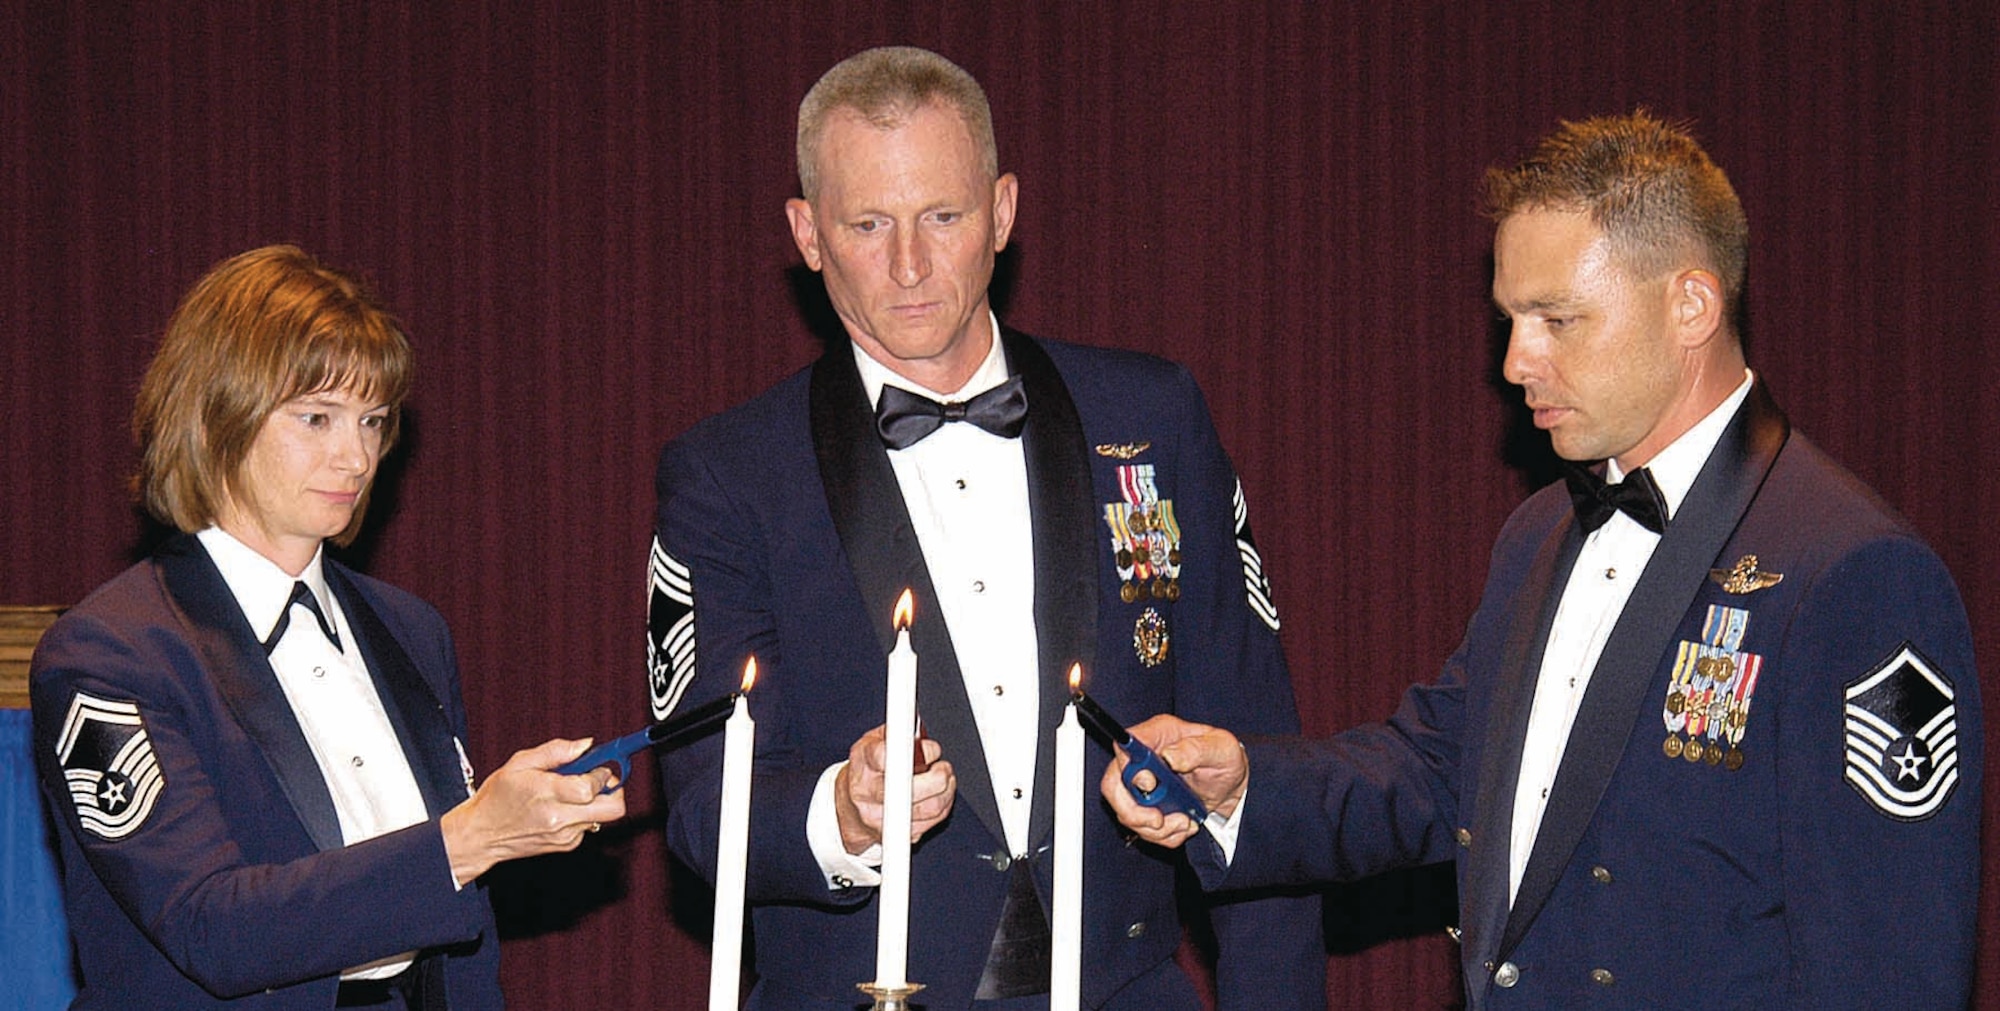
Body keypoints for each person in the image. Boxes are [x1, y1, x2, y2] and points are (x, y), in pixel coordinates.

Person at [1102, 111, 1982, 1008]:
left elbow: (1891, 973)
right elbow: (1443, 766)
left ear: (1692, 305)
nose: (1518, 360)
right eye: (1512, 319)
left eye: (1558, 318)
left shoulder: (1852, 572)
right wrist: (1244, 782)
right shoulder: (1537, 533)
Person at [648, 46, 1322, 1010]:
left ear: (1003, 212)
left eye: (944, 217)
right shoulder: (728, 474)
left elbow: (1254, 761)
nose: (910, 264)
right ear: (807, 233)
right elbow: (704, 811)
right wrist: (842, 812)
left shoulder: (1154, 415)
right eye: (868, 224)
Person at [30, 245, 627, 1009]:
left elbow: (463, 940)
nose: (356, 455)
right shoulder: (110, 652)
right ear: (216, 417)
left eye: (373, 420)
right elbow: (211, 926)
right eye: (317, 417)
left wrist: (506, 829)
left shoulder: (410, 629)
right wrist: (470, 836)